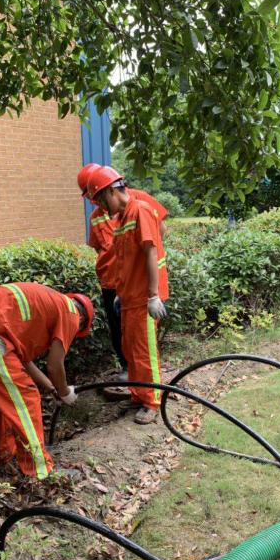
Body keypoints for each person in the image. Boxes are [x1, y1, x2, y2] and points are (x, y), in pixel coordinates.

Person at [0, 282, 94, 479]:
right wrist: (64, 392)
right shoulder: (71, 313)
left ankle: (3, 457)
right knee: (26, 398)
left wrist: (50, 387)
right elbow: (54, 364)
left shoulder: (49, 305)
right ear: (83, 321)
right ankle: (40, 472)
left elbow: (24, 361)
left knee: (4, 399)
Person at [86, 166, 168, 425]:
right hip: (129, 296)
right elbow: (122, 261)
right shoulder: (120, 219)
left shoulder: (140, 210)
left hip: (143, 297)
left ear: (111, 191)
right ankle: (138, 394)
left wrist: (153, 295)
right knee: (131, 349)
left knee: (144, 350)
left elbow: (150, 252)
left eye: (100, 199)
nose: (100, 206)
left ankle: (152, 401)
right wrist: (121, 292)